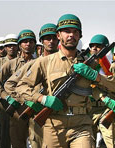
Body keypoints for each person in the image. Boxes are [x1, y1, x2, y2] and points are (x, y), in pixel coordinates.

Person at [16, 14, 96, 148]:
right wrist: (42, 99)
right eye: (67, 31)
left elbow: (107, 86)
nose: (71, 35)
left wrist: (98, 78)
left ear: (80, 35)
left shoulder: (89, 64)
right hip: (54, 125)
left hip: (81, 124)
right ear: (59, 35)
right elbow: (21, 86)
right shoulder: (44, 62)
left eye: (75, 31)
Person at [4, 23, 59, 148]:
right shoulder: (34, 64)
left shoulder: (65, 62)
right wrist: (28, 99)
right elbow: (10, 84)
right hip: (38, 113)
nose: (51, 42)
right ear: (41, 41)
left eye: (54, 38)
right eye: (47, 38)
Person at [0, 29, 36, 148]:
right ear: (20, 45)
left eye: (31, 42)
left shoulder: (39, 62)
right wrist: (7, 97)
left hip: (36, 108)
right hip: (18, 109)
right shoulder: (11, 64)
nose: (28, 44)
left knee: (37, 142)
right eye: (25, 41)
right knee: (17, 142)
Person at [87, 34, 115, 147]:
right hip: (90, 109)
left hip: (107, 109)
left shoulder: (111, 66)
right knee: (88, 143)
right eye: (92, 46)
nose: (94, 48)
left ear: (106, 48)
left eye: (98, 46)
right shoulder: (87, 66)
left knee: (110, 142)